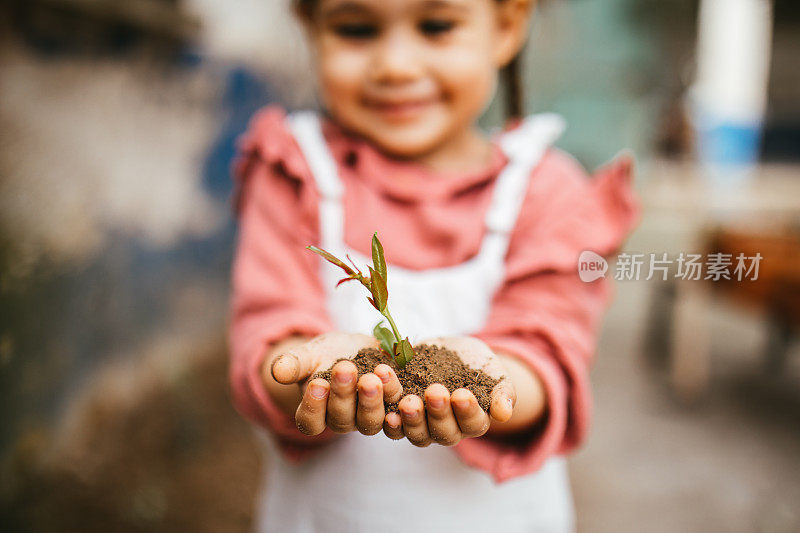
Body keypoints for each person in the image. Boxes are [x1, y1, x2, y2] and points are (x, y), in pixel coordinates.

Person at [229, 0, 640, 531]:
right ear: (310, 28)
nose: (396, 66)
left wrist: (485, 385)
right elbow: (266, 346)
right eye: (356, 29)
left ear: (507, 26)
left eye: (437, 26)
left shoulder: (549, 193)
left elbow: (548, 355)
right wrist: (322, 377)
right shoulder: (292, 170)